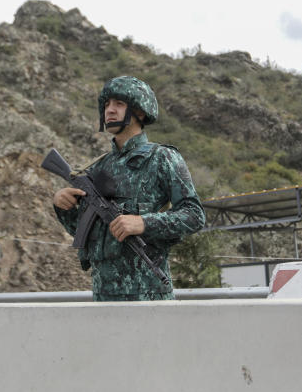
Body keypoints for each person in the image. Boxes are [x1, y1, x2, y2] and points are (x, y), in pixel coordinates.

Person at [52, 76, 206, 301]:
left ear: (140, 112)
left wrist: (143, 223)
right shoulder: (98, 166)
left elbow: (194, 215)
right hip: (103, 296)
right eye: (106, 105)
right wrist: (64, 206)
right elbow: (84, 233)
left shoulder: (162, 158)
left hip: (149, 295)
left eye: (119, 104)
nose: (110, 111)